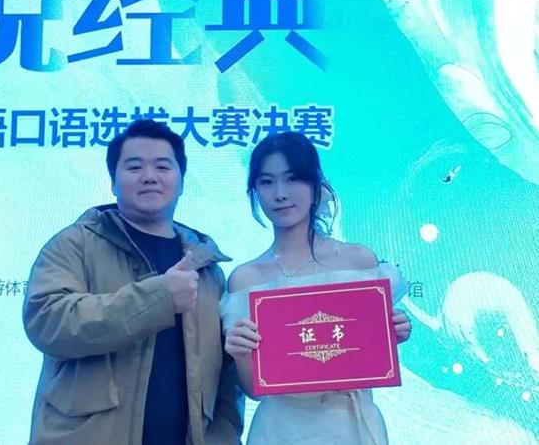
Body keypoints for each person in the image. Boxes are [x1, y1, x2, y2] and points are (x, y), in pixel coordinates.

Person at [23, 119, 243, 445]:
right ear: (113, 181)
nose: (150, 176)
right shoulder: (74, 244)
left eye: (163, 167)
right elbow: (47, 321)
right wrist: (158, 298)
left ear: (182, 181)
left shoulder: (206, 266)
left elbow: (224, 378)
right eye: (135, 166)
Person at [221, 131, 412, 445]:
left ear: (315, 184)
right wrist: (241, 353)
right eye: (266, 182)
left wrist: (393, 331)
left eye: (293, 179)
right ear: (254, 191)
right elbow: (254, 389)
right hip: (280, 431)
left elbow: (371, 352)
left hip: (352, 427)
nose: (280, 194)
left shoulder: (358, 261)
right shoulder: (247, 279)